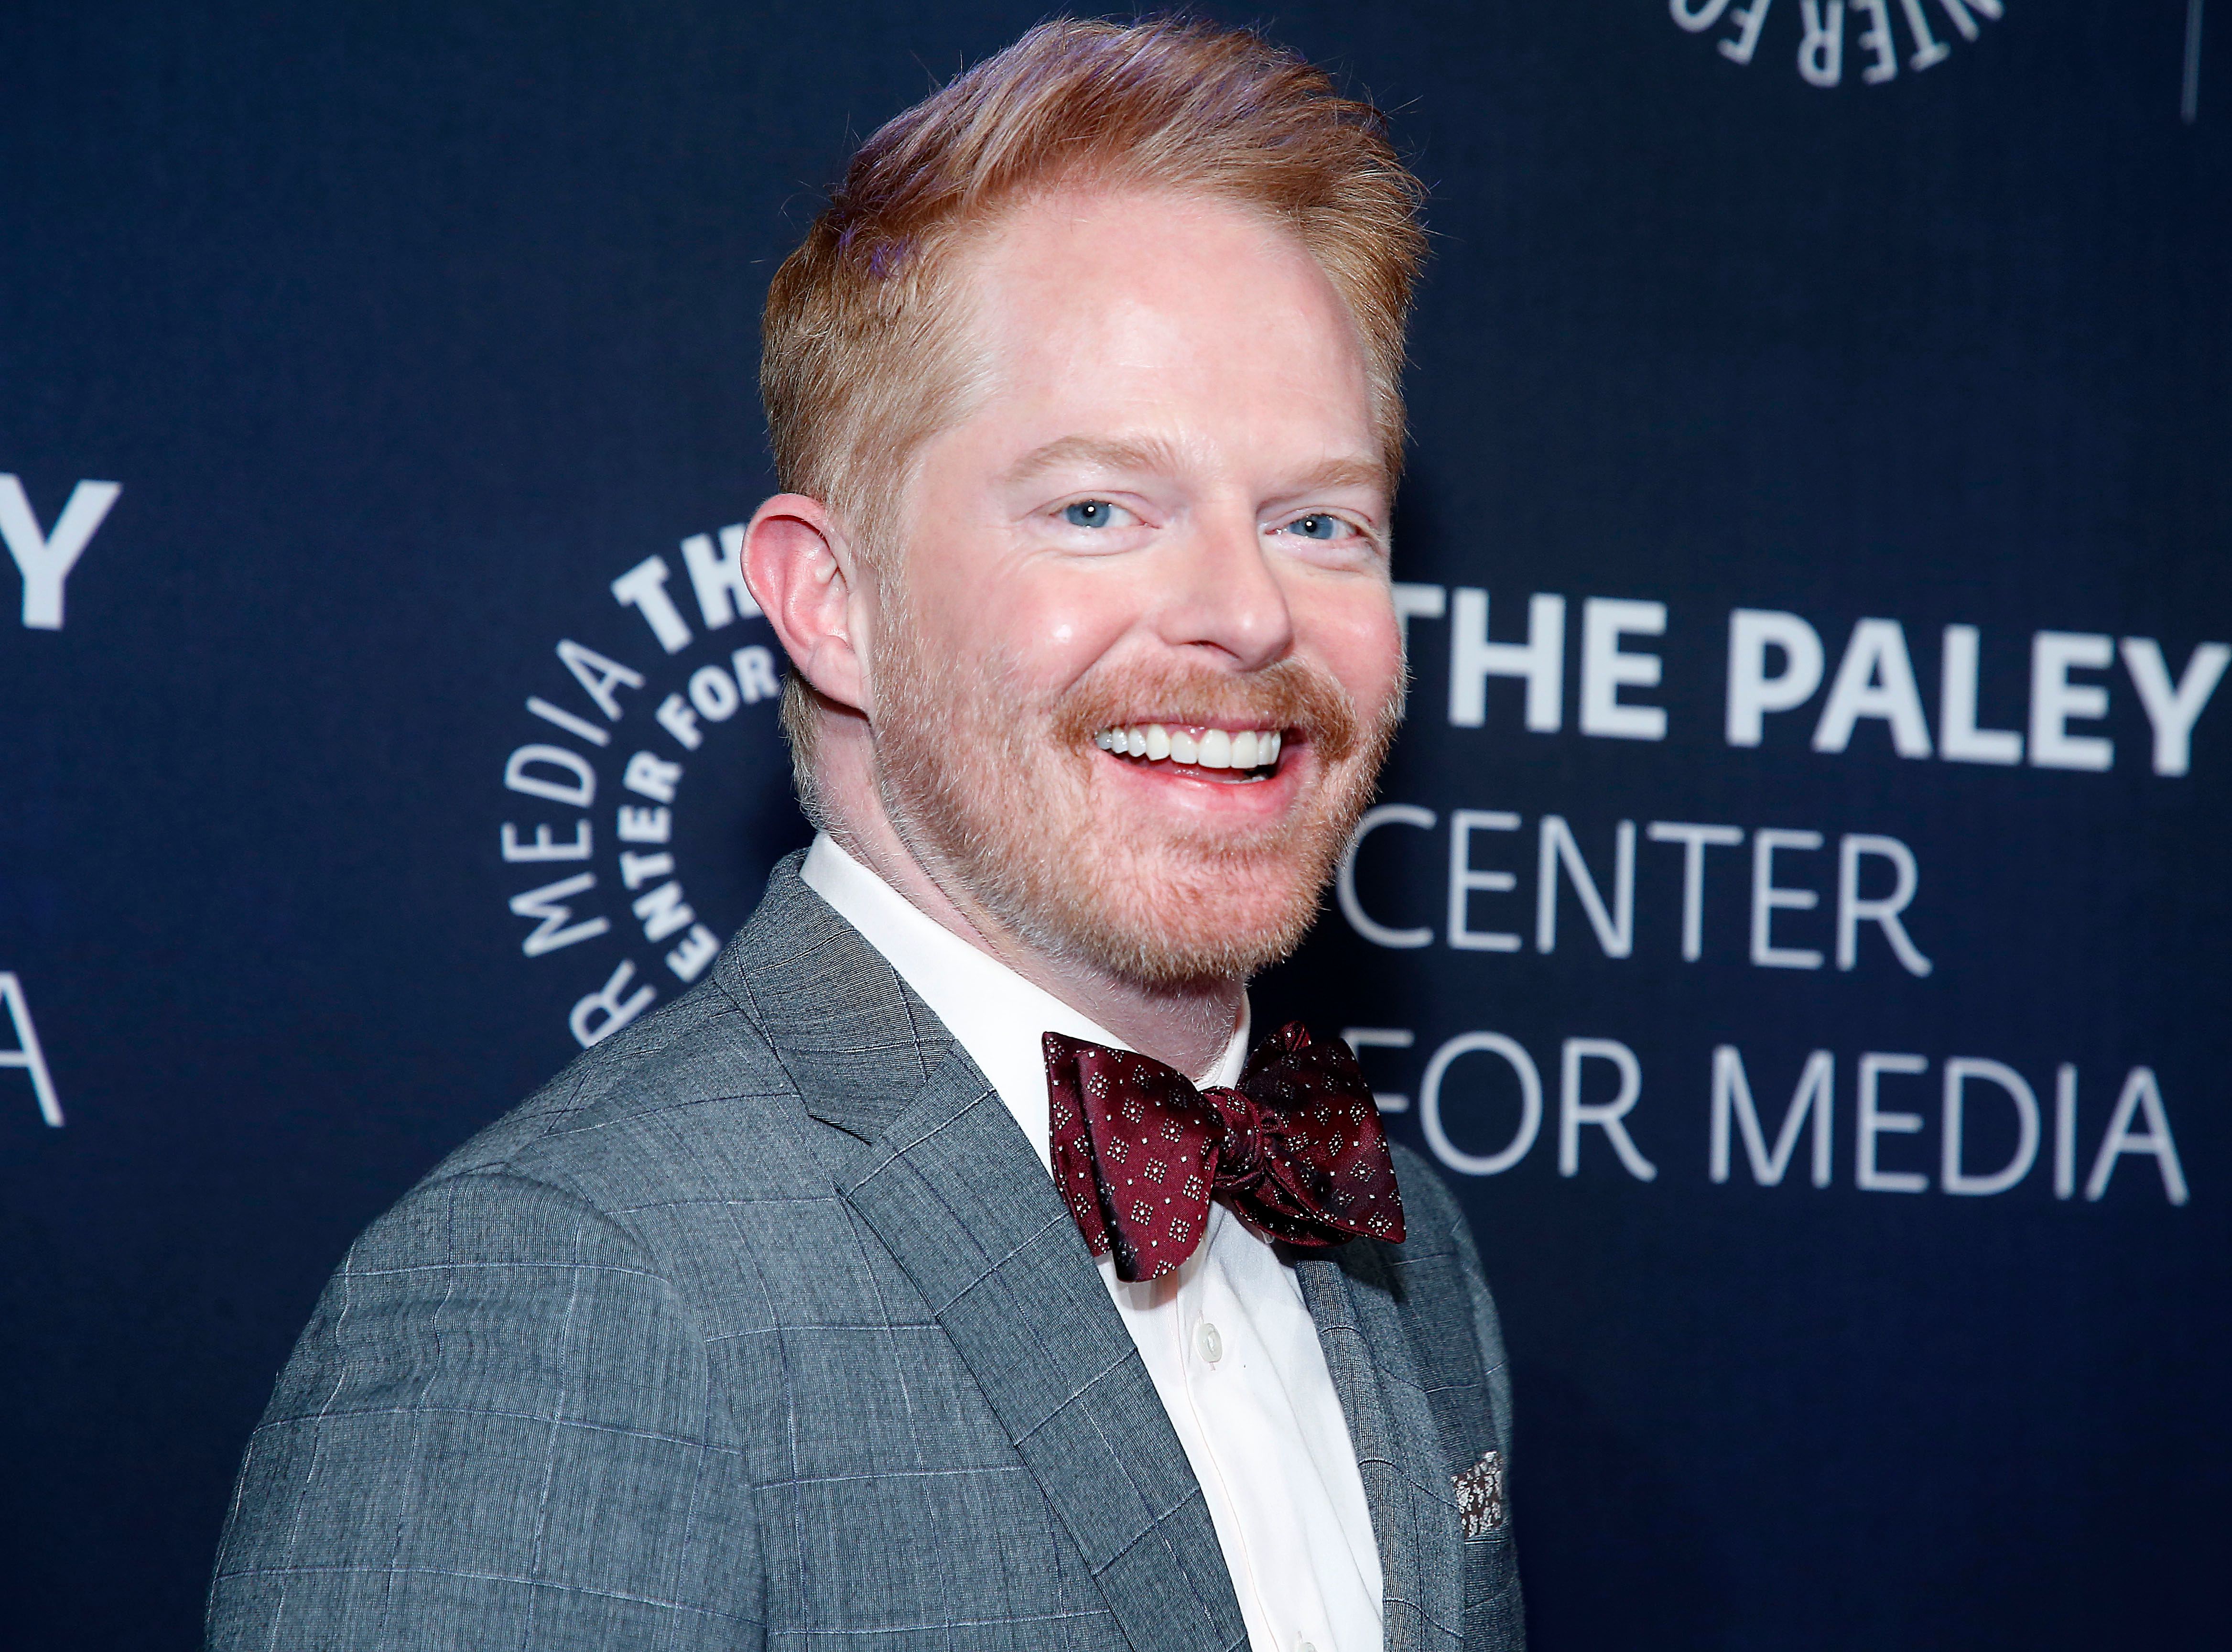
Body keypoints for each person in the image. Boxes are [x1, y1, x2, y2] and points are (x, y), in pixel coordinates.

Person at [207, 18, 1519, 1652]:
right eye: (1099, 510)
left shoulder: (1409, 1248)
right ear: (832, 605)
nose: (1248, 614)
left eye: (1320, 521)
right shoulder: (574, 1290)